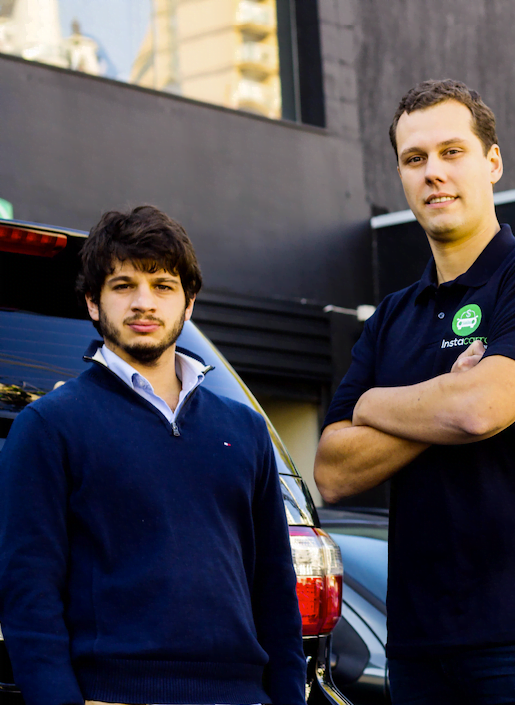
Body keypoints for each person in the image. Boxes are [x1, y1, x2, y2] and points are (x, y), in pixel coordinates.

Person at [313, 79, 515, 704]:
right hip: (423, 645)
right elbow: (334, 470)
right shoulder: (393, 317)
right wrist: (441, 399)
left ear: (493, 162)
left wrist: (376, 404)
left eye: (452, 152)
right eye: (414, 159)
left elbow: (481, 410)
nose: (433, 174)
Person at [0, 206, 306, 705]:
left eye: (163, 286)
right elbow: (28, 596)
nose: (144, 303)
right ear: (93, 304)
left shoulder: (245, 429)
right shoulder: (50, 425)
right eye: (123, 286)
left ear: (189, 305)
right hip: (114, 693)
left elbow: (275, 588)